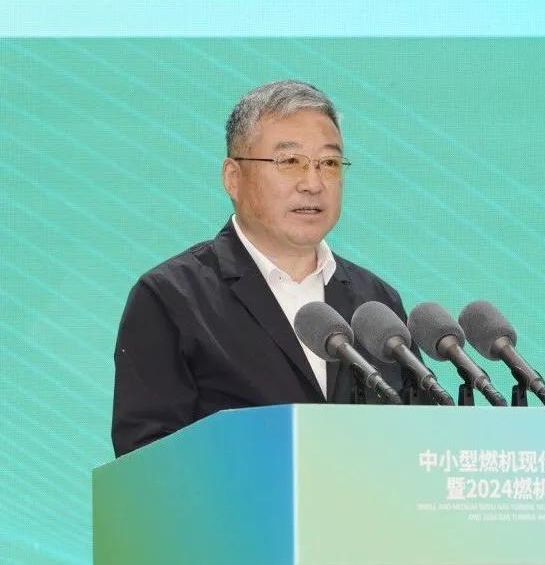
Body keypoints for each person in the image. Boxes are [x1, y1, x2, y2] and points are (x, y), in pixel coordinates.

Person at [112, 80, 414, 457]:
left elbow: (416, 445)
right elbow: (146, 462)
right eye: (290, 162)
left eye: (329, 163)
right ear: (233, 178)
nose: (313, 183)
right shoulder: (171, 298)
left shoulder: (376, 304)